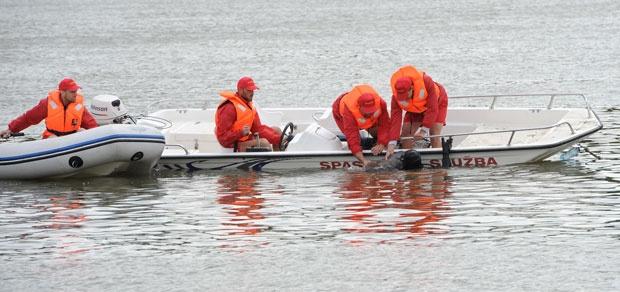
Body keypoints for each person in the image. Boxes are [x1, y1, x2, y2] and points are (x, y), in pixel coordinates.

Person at [0, 78, 98, 139]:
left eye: (76, 91)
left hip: (72, 134)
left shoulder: (78, 105)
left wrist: (102, 134)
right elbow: (28, 118)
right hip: (52, 136)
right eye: (72, 91)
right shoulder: (47, 103)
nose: (75, 94)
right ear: (63, 92)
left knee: (83, 132)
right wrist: (11, 129)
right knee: (55, 140)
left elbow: (90, 123)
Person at [386, 65, 449, 158]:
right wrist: (392, 143)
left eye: (405, 95)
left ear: (412, 88)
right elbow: (395, 119)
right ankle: (408, 160)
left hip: (437, 103)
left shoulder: (427, 82)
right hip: (415, 109)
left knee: (434, 134)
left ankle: (437, 162)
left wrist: (423, 130)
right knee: (405, 134)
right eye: (401, 96)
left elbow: (432, 109)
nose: (403, 99)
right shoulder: (396, 97)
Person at [215, 76, 282, 152]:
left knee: (277, 131)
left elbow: (258, 130)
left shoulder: (249, 106)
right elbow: (223, 139)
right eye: (249, 90)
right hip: (232, 144)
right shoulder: (229, 108)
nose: (252, 93)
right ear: (240, 90)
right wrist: (240, 133)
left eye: (253, 90)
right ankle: (270, 162)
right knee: (264, 143)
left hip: (244, 140)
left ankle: (280, 160)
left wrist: (279, 139)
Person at [332, 84, 390, 167]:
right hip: (340, 113)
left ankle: (376, 144)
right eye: (367, 111)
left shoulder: (381, 104)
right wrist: (364, 161)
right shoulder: (349, 112)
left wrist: (381, 143)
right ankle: (362, 151)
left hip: (357, 108)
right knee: (354, 140)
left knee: (382, 135)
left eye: (371, 111)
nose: (369, 113)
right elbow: (353, 138)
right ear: (359, 107)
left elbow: (385, 125)